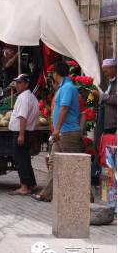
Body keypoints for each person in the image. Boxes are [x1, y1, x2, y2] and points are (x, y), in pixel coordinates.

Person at [33, 61, 82, 202]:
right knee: (54, 162)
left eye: (52, 73)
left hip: (67, 133)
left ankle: (85, 196)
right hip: (61, 133)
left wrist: (58, 129)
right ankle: (47, 194)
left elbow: (64, 109)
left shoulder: (67, 88)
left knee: (73, 164)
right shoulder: (63, 87)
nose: (52, 75)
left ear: (56, 73)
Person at [8, 74, 39, 195]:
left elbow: (23, 117)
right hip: (28, 132)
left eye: (20, 83)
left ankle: (24, 186)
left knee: (20, 159)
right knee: (25, 159)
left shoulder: (24, 98)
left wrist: (21, 134)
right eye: (17, 82)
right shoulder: (31, 97)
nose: (17, 85)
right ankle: (32, 184)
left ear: (26, 84)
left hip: (22, 132)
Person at [92, 58, 117, 136]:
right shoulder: (111, 82)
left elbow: (116, 99)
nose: (105, 74)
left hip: (114, 123)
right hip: (108, 122)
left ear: (113, 68)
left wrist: (100, 95)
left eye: (106, 71)